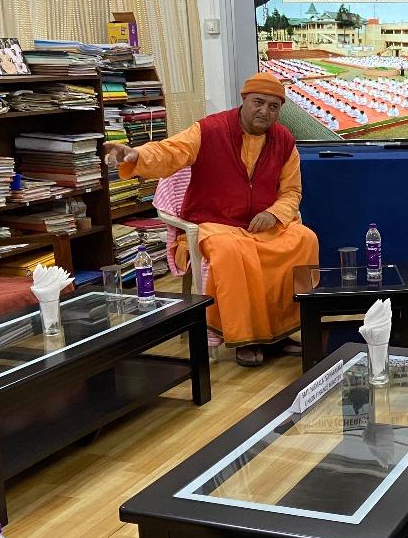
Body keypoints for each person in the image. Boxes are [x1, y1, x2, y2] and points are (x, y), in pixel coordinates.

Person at [104, 72, 320, 366]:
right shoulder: (208, 130)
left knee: (305, 240)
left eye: (273, 106)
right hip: (216, 223)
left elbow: (292, 191)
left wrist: (274, 213)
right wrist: (135, 155)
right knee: (229, 251)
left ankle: (281, 332)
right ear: (244, 100)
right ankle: (244, 336)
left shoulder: (284, 141)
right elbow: (170, 151)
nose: (265, 111)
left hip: (264, 224)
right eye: (259, 102)